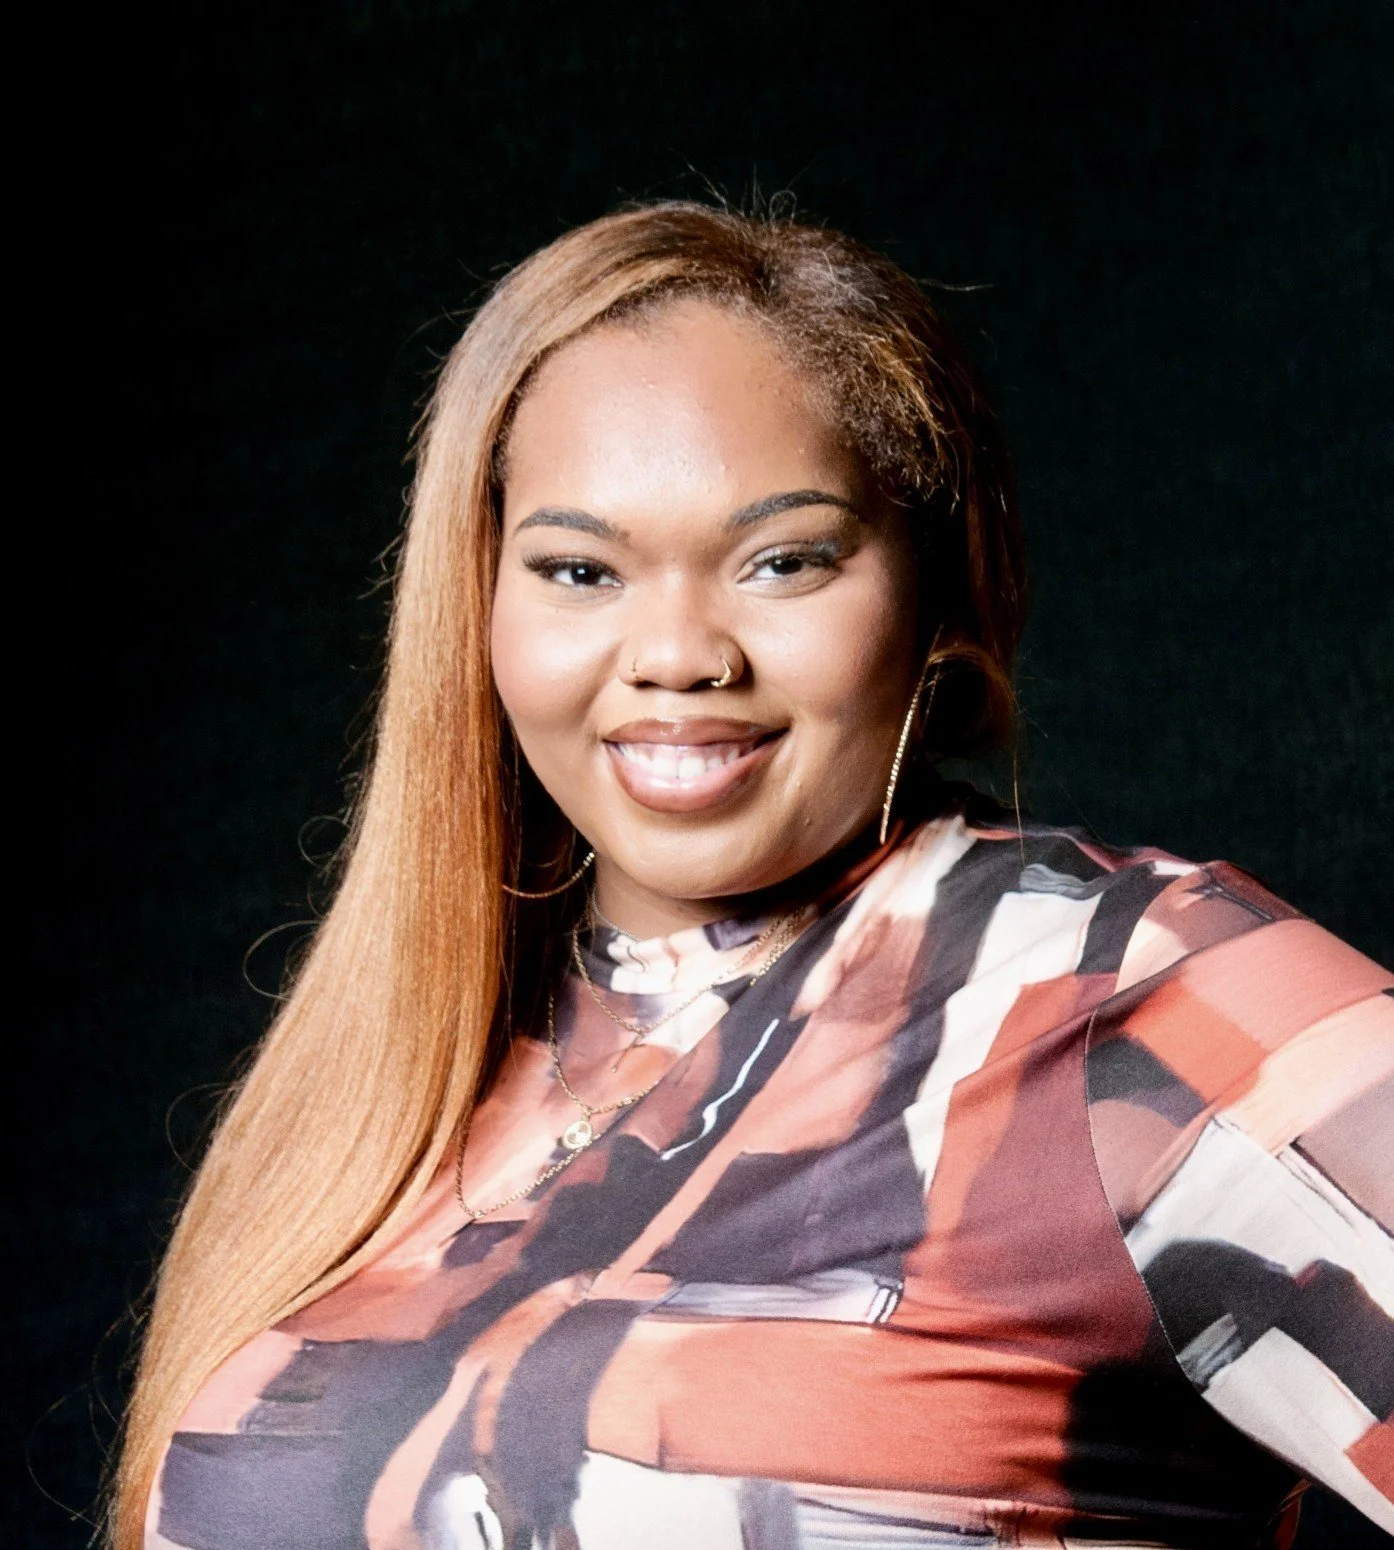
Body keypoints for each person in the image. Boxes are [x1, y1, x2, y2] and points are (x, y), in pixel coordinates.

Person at [117, 202, 1392, 1550]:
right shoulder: (390, 1092)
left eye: (783, 559)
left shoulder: (1137, 1009)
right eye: (578, 568)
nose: (676, 651)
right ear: (481, 606)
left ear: (933, 590)